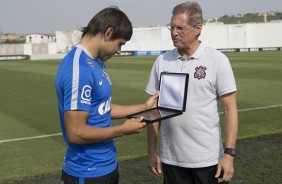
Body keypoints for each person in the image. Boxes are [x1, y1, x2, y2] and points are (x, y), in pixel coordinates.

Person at [55, 6, 158, 184]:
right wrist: (122, 130)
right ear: (108, 33)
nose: (119, 50)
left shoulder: (97, 61)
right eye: (120, 44)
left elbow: (102, 108)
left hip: (107, 166)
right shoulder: (79, 68)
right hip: (87, 172)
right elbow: (76, 133)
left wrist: (144, 107)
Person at [146, 2, 238, 184]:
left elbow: (230, 109)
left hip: (208, 160)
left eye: (180, 28)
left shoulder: (217, 60)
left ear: (198, 28)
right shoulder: (162, 61)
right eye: (171, 27)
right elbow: (154, 110)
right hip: (171, 160)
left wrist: (229, 154)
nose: (174, 32)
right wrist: (151, 151)